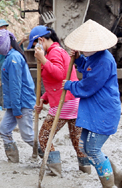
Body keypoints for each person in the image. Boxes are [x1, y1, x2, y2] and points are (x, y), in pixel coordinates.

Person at [61, 20, 122, 188]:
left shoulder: (104, 60)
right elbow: (87, 68)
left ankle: (108, 184)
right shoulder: (94, 57)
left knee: (93, 149)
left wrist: (70, 85)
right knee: (84, 147)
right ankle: (116, 174)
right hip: (92, 111)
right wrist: (79, 59)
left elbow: (88, 86)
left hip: (103, 111)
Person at [28, 26, 90, 177]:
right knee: (77, 139)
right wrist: (43, 98)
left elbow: (60, 75)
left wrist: (42, 59)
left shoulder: (54, 52)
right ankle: (85, 169)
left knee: (44, 137)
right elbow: (57, 85)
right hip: (73, 101)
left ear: (41, 40)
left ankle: (55, 169)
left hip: (65, 103)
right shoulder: (58, 51)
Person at [0, 30, 35, 162]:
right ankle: (13, 159)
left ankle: (51, 157)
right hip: (14, 103)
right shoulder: (10, 56)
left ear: (4, 43)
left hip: (21, 103)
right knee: (4, 130)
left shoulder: (14, 58)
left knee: (28, 136)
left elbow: (16, 85)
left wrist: (17, 109)